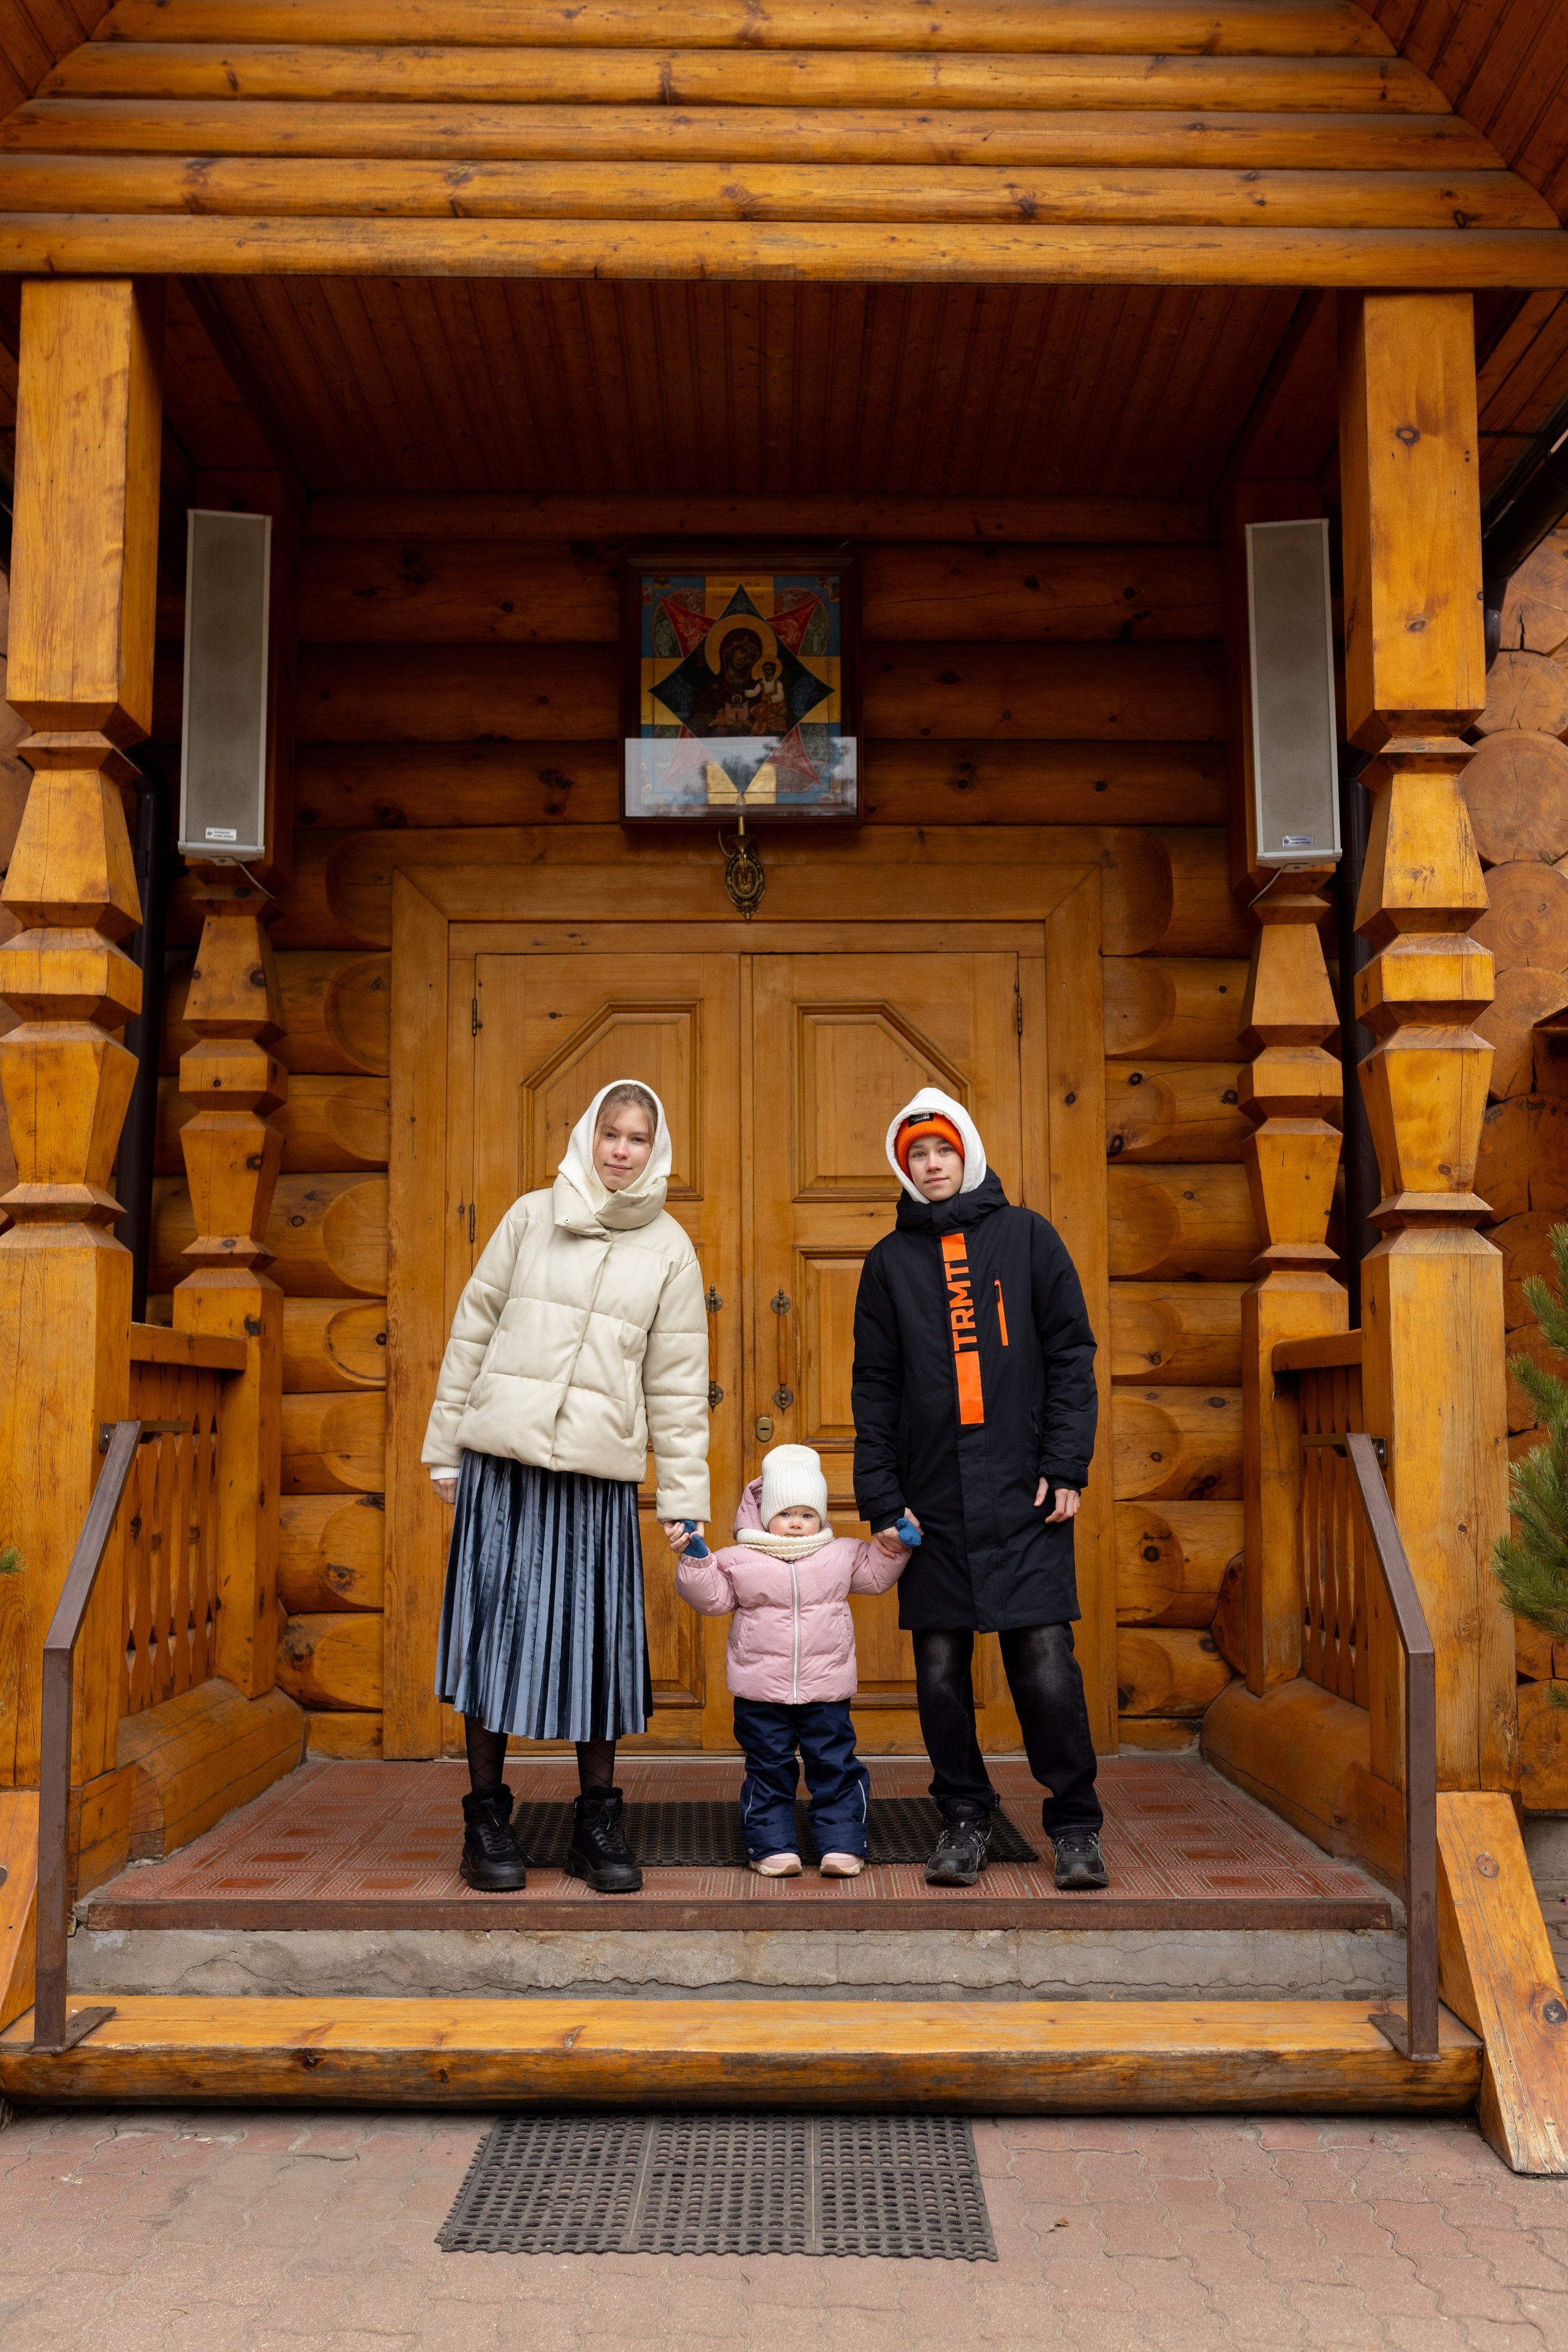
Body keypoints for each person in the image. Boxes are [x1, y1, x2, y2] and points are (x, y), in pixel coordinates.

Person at [423, 1079, 709, 1897]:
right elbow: (473, 1329)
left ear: (656, 1151)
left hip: (596, 1476)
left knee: (597, 1645)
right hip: (504, 1464)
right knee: (491, 1637)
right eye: (611, 1133)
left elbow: (678, 1384)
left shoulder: (670, 1249)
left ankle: (596, 1823)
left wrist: (684, 1498)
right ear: (588, 1135)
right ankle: (486, 1822)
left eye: (638, 1138)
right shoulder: (528, 1217)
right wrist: (445, 1449)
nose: (622, 1150)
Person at [851, 1087, 1106, 1893]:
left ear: (967, 1153)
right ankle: (963, 1818)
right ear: (904, 1167)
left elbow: (1070, 1355)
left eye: (943, 1150)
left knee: (1044, 1659)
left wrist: (1065, 1464)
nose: (932, 1165)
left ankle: (1075, 1825)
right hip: (933, 1499)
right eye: (917, 1155)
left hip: (1025, 1492)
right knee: (938, 1669)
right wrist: (881, 1495)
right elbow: (875, 1384)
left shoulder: (1029, 1237)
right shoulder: (888, 1263)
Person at [674, 1444, 908, 1878]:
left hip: (826, 1687)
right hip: (761, 1689)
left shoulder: (842, 1553)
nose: (796, 1523)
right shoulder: (738, 1559)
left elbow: (876, 1576)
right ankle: (770, 1845)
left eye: (806, 1514)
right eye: (785, 1514)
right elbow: (711, 1599)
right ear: (766, 1516)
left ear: (821, 1516)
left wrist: (893, 1546)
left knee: (834, 1764)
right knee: (768, 1766)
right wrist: (696, 1559)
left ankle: (843, 1843)